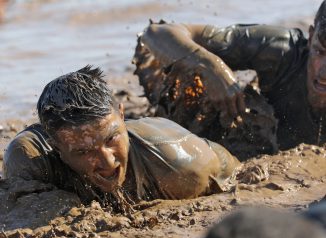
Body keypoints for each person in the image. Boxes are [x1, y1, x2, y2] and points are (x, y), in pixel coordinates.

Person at [3, 66, 239, 211]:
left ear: (122, 115)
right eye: (84, 152)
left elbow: (238, 175)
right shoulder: (30, 160)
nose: (107, 162)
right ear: (56, 147)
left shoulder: (180, 164)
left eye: (111, 138)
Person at [134, 1, 326, 154]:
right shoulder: (280, 51)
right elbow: (157, 34)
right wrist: (211, 68)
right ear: (310, 38)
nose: (323, 73)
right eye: (320, 52)